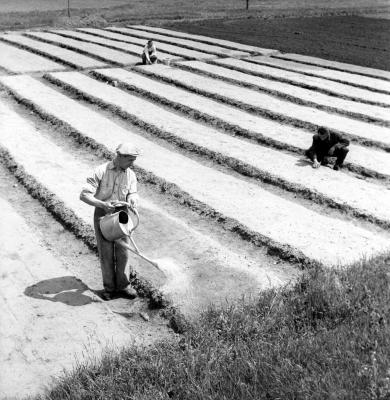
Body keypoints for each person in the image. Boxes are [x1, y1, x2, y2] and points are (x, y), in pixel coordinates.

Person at [80, 143, 140, 301]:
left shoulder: (130, 174)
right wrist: (102, 204)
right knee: (106, 253)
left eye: (134, 160)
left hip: (122, 213)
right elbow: (84, 195)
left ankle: (124, 286)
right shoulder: (101, 171)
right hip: (103, 214)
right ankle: (109, 288)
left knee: (124, 252)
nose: (132, 163)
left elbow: (133, 192)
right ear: (119, 157)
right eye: (130, 160)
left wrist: (133, 199)